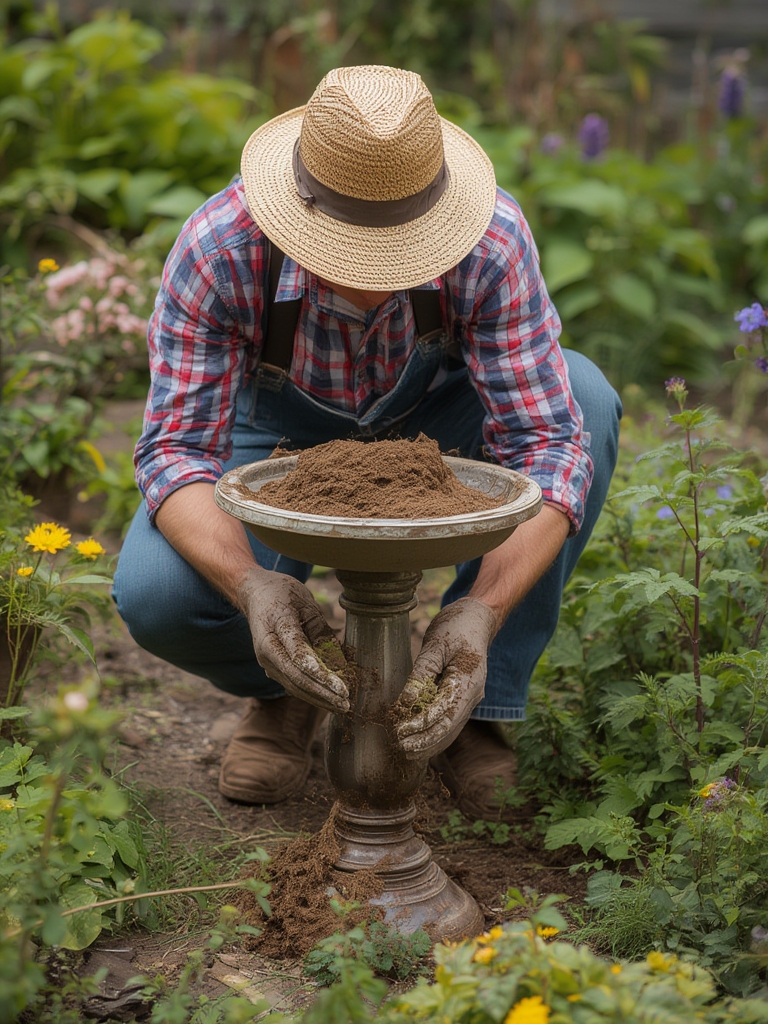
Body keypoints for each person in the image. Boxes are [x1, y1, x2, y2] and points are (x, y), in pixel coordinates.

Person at [113, 65, 621, 819]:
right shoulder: (222, 249)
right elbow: (176, 452)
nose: (375, 277)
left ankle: (475, 700)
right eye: (351, 250)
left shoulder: (490, 240)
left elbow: (547, 444)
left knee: (585, 398)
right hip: (279, 431)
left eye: (402, 251)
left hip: (435, 420)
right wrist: (250, 586)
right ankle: (286, 691)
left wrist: (484, 609)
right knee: (158, 595)